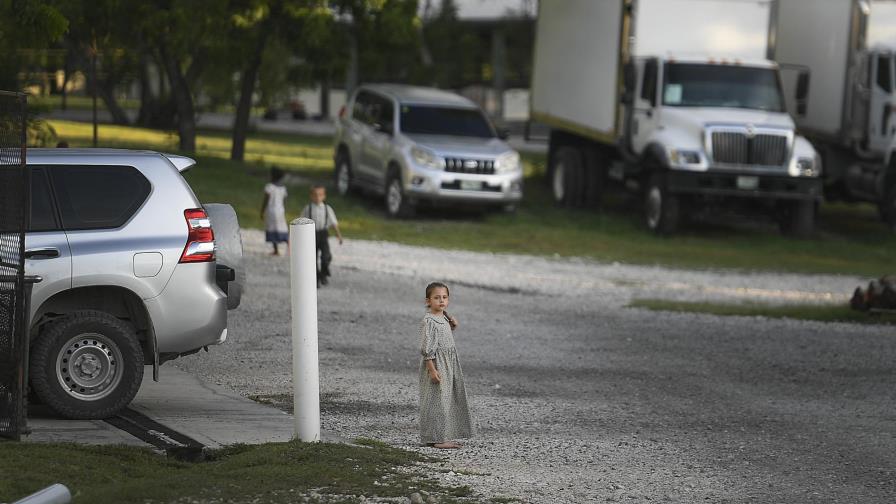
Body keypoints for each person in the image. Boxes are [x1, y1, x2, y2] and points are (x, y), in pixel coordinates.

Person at [419, 282, 473, 449]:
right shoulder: (429, 321)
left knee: (446, 400)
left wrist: (452, 324)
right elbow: (427, 348)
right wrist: (433, 370)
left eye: (444, 297)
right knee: (437, 401)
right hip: (437, 364)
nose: (441, 301)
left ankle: (438, 435)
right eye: (437, 298)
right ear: (428, 301)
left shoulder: (442, 318)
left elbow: (444, 333)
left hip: (448, 364)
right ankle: (437, 439)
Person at [301, 185, 343, 286]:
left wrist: (339, 235)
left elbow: (333, 222)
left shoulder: (327, 208)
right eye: (315, 195)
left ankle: (323, 273)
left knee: (326, 256)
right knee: (312, 258)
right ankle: (316, 278)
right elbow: (301, 221)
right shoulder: (308, 208)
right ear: (311, 196)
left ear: (324, 196)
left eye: (320, 195)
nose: (317, 197)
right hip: (311, 235)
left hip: (323, 234)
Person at [261, 167, 288, 256]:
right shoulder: (283, 188)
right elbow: (284, 200)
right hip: (280, 211)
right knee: (282, 227)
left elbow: (266, 200)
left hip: (271, 211)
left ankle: (276, 250)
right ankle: (289, 245)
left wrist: (262, 211)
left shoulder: (269, 187)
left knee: (272, 228)